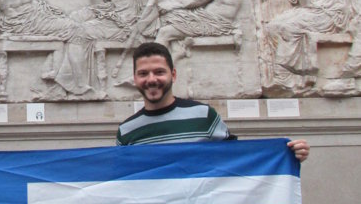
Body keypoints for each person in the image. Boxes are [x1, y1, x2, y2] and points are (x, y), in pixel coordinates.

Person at [117, 41, 310, 162]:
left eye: (159, 72)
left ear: (173, 75)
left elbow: (237, 160)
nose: (151, 79)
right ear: (135, 78)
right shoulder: (126, 131)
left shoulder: (204, 116)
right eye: (143, 73)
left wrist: (286, 156)